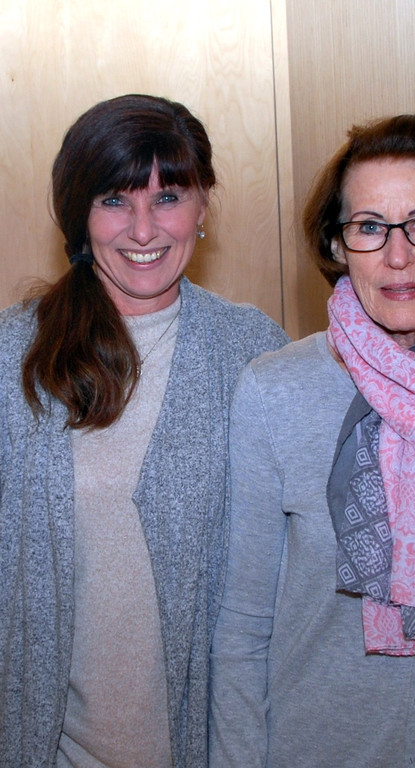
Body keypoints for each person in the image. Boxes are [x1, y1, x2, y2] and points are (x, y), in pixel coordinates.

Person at [209, 114, 415, 767]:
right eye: (370, 227)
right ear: (338, 245)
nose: (397, 256)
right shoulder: (274, 393)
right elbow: (241, 634)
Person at [0, 93, 288, 768]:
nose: (142, 229)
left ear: (203, 204)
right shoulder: (14, 356)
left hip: (211, 749)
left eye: (168, 197)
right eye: (114, 200)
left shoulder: (254, 354)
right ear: (79, 213)